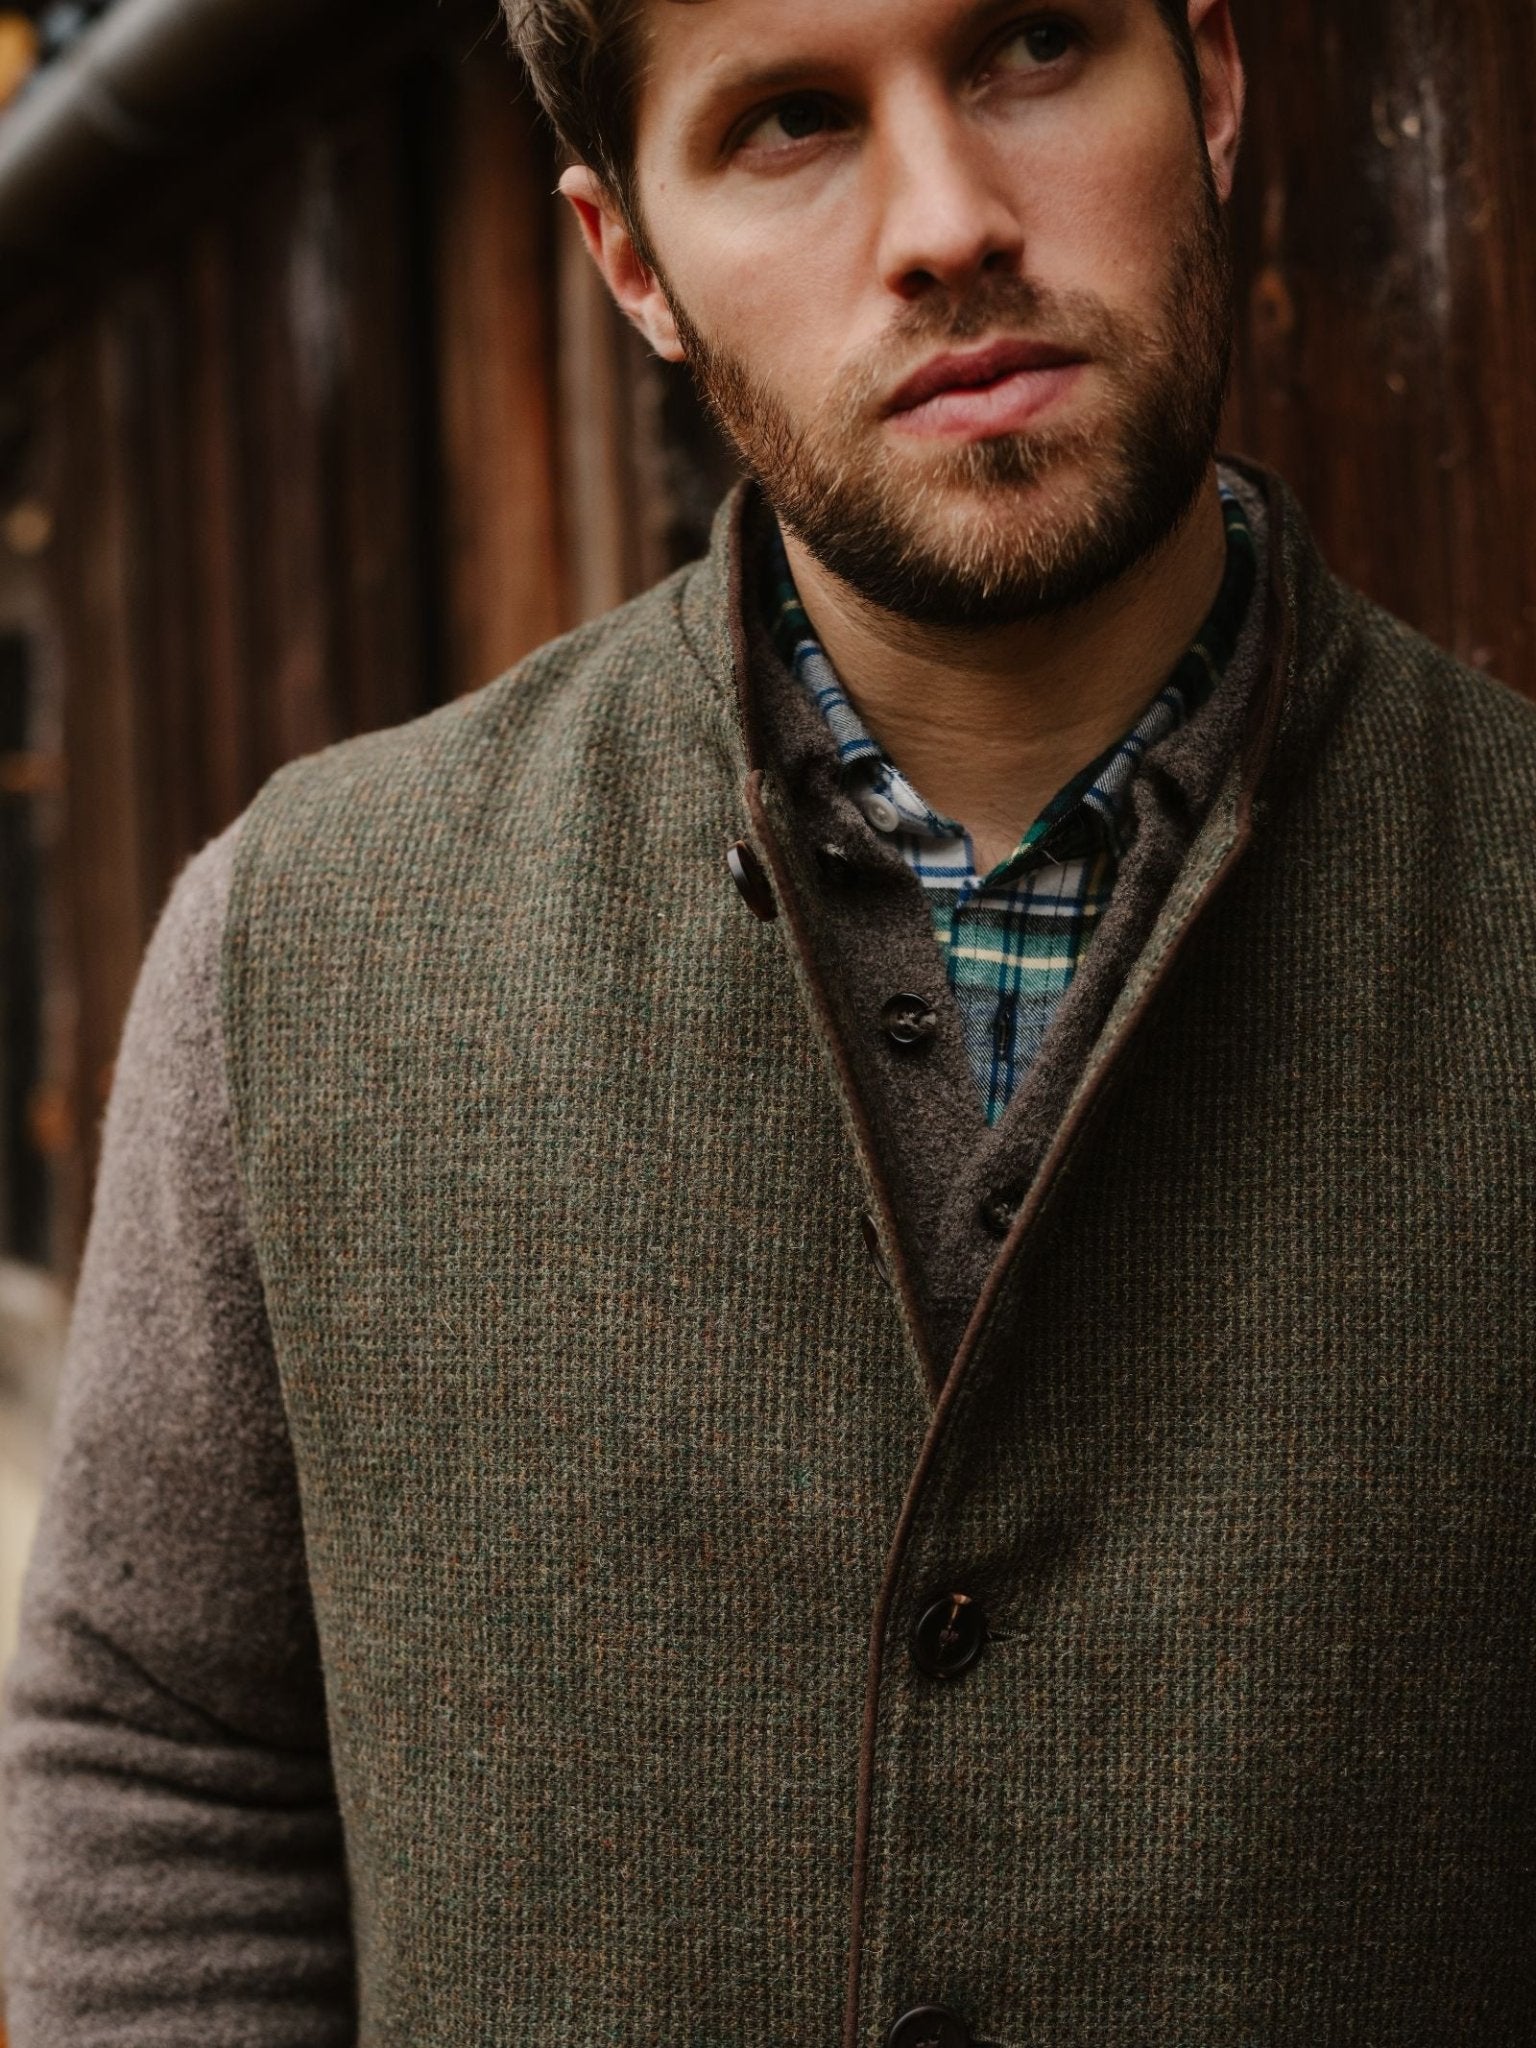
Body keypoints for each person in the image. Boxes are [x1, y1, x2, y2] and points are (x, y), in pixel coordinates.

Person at [5, 0, 1536, 2041]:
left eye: (1032, 47)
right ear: (629, 259)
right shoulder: (307, 943)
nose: (946, 219)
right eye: (792, 121)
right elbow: (164, 1753)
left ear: (1216, 82)